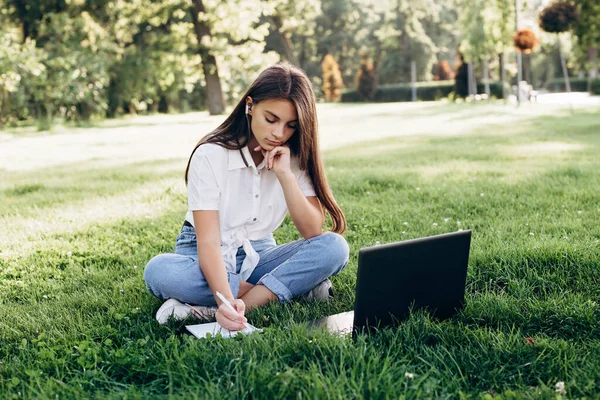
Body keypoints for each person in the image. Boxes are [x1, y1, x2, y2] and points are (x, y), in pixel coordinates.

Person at [144, 63, 349, 331]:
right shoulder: (211, 155)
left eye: (291, 125)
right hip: (202, 252)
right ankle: (287, 290)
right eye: (271, 119)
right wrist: (227, 298)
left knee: (335, 247)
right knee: (160, 272)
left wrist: (285, 175)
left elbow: (312, 230)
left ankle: (218, 309)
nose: (279, 134)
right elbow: (208, 244)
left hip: (259, 253)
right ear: (250, 106)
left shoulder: (295, 155)